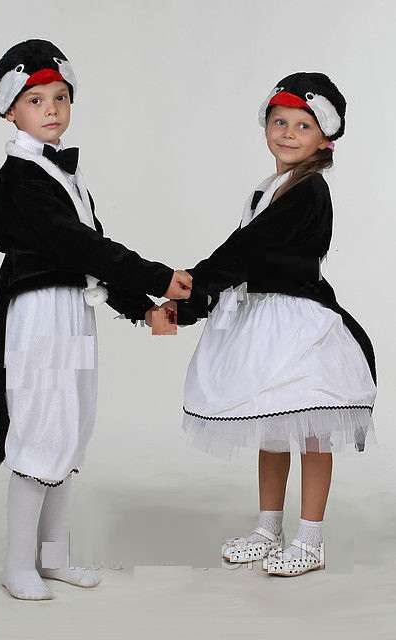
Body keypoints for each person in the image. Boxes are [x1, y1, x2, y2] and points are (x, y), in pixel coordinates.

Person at [0, 38, 192, 600]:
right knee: (41, 429)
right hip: (40, 317)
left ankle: (53, 558)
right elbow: (82, 247)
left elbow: (91, 259)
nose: (51, 109)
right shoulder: (19, 180)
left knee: (70, 428)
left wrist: (142, 309)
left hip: (75, 314)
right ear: (10, 111)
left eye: (60, 97)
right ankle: (17, 564)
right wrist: (157, 275)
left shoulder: (63, 176)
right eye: (36, 100)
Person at [153, 72, 377, 576]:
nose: (288, 133)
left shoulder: (309, 190)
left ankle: (310, 539)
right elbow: (242, 262)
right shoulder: (269, 188)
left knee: (312, 430)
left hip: (298, 322)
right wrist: (190, 305)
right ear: (265, 126)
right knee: (272, 426)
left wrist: (188, 288)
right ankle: (268, 528)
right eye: (280, 122)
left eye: (303, 125)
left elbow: (246, 252)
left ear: (324, 138)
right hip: (265, 317)